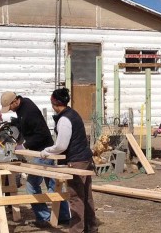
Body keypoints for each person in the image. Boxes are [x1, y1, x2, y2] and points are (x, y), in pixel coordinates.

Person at [0, 91, 70, 227]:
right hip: (41, 150)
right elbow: (27, 126)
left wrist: (24, 145)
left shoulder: (28, 111)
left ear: (15, 101)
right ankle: (64, 216)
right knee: (54, 184)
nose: (11, 110)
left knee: (32, 185)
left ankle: (44, 217)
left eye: (10, 107)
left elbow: (42, 134)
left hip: (44, 151)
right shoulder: (23, 105)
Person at [40, 88, 98, 233]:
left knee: (76, 197)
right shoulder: (72, 114)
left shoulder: (65, 119)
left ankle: (77, 230)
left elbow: (61, 145)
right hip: (84, 158)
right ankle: (91, 228)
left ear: (54, 103)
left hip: (76, 161)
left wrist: (46, 151)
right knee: (86, 197)